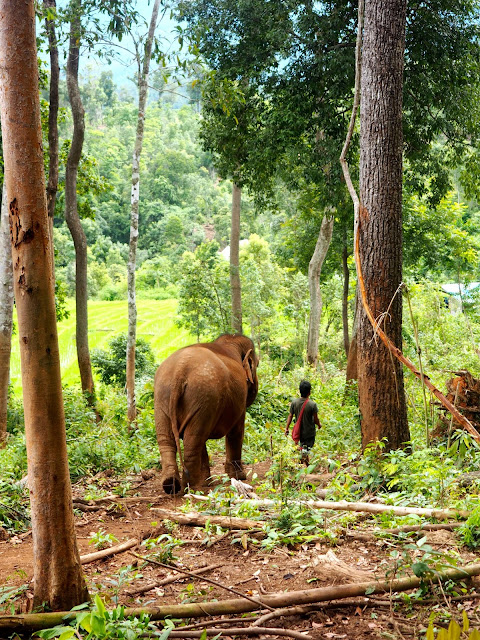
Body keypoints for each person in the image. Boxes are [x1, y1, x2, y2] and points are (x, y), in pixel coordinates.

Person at [284, 380, 321, 465]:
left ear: (300, 391)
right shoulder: (312, 405)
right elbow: (316, 419)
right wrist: (319, 425)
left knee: (302, 448)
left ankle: (302, 463)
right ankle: (305, 466)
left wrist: (286, 428)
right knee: (306, 449)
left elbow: (290, 416)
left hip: (299, 431)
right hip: (309, 432)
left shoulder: (294, 403)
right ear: (309, 392)